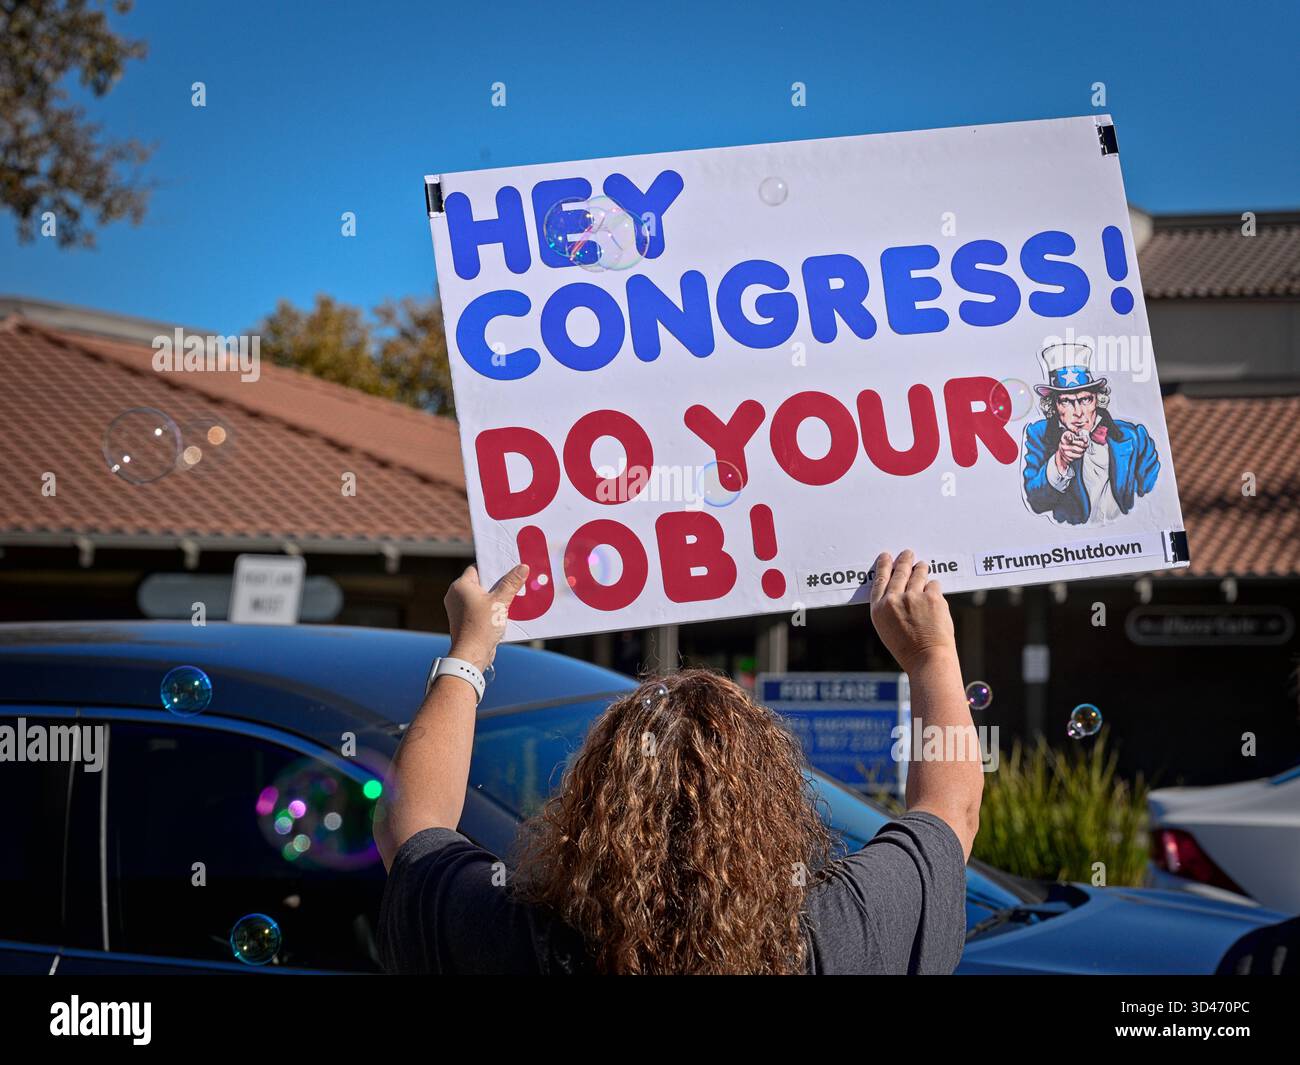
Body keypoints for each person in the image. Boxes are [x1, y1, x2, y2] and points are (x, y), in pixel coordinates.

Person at [373, 549, 983, 975]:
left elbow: (411, 822)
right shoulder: (840, 935)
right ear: (773, 804)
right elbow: (951, 811)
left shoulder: (511, 942)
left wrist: (469, 652)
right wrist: (931, 656)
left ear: (593, 797)